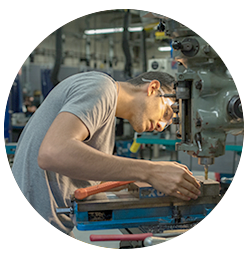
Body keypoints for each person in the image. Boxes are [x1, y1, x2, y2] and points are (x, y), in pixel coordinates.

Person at [11, 71, 201, 237]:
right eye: (168, 113)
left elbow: (84, 173)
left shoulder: (105, 118)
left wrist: (147, 182)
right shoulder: (101, 87)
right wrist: (150, 170)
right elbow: (53, 153)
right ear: (152, 88)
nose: (161, 126)